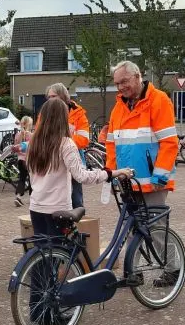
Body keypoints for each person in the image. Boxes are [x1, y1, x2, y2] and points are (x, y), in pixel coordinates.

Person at [106, 60, 181, 286]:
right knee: (130, 227)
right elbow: (111, 145)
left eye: (124, 81)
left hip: (153, 180)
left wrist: (160, 175)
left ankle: (172, 269)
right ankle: (133, 271)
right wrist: (111, 173)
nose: (120, 87)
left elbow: (169, 142)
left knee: (156, 229)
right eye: (117, 83)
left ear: (138, 76)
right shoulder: (118, 107)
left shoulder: (159, 101)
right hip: (128, 181)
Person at [26, 98, 128, 235]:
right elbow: (81, 176)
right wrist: (110, 173)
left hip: (36, 206)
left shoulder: (34, 143)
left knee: (44, 251)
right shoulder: (66, 144)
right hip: (58, 208)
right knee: (61, 251)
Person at [44, 83, 89, 208]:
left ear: (63, 96)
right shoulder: (45, 114)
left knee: (76, 201)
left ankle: (77, 225)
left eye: (53, 96)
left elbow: (84, 140)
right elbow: (39, 136)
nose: (50, 100)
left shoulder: (78, 113)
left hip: (72, 162)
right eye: (49, 97)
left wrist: (62, 140)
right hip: (53, 163)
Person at [13, 116, 33, 207]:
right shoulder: (31, 135)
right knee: (32, 179)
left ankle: (18, 197)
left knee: (22, 178)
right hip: (29, 160)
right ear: (29, 124)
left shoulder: (17, 135)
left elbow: (15, 148)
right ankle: (32, 198)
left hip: (20, 160)